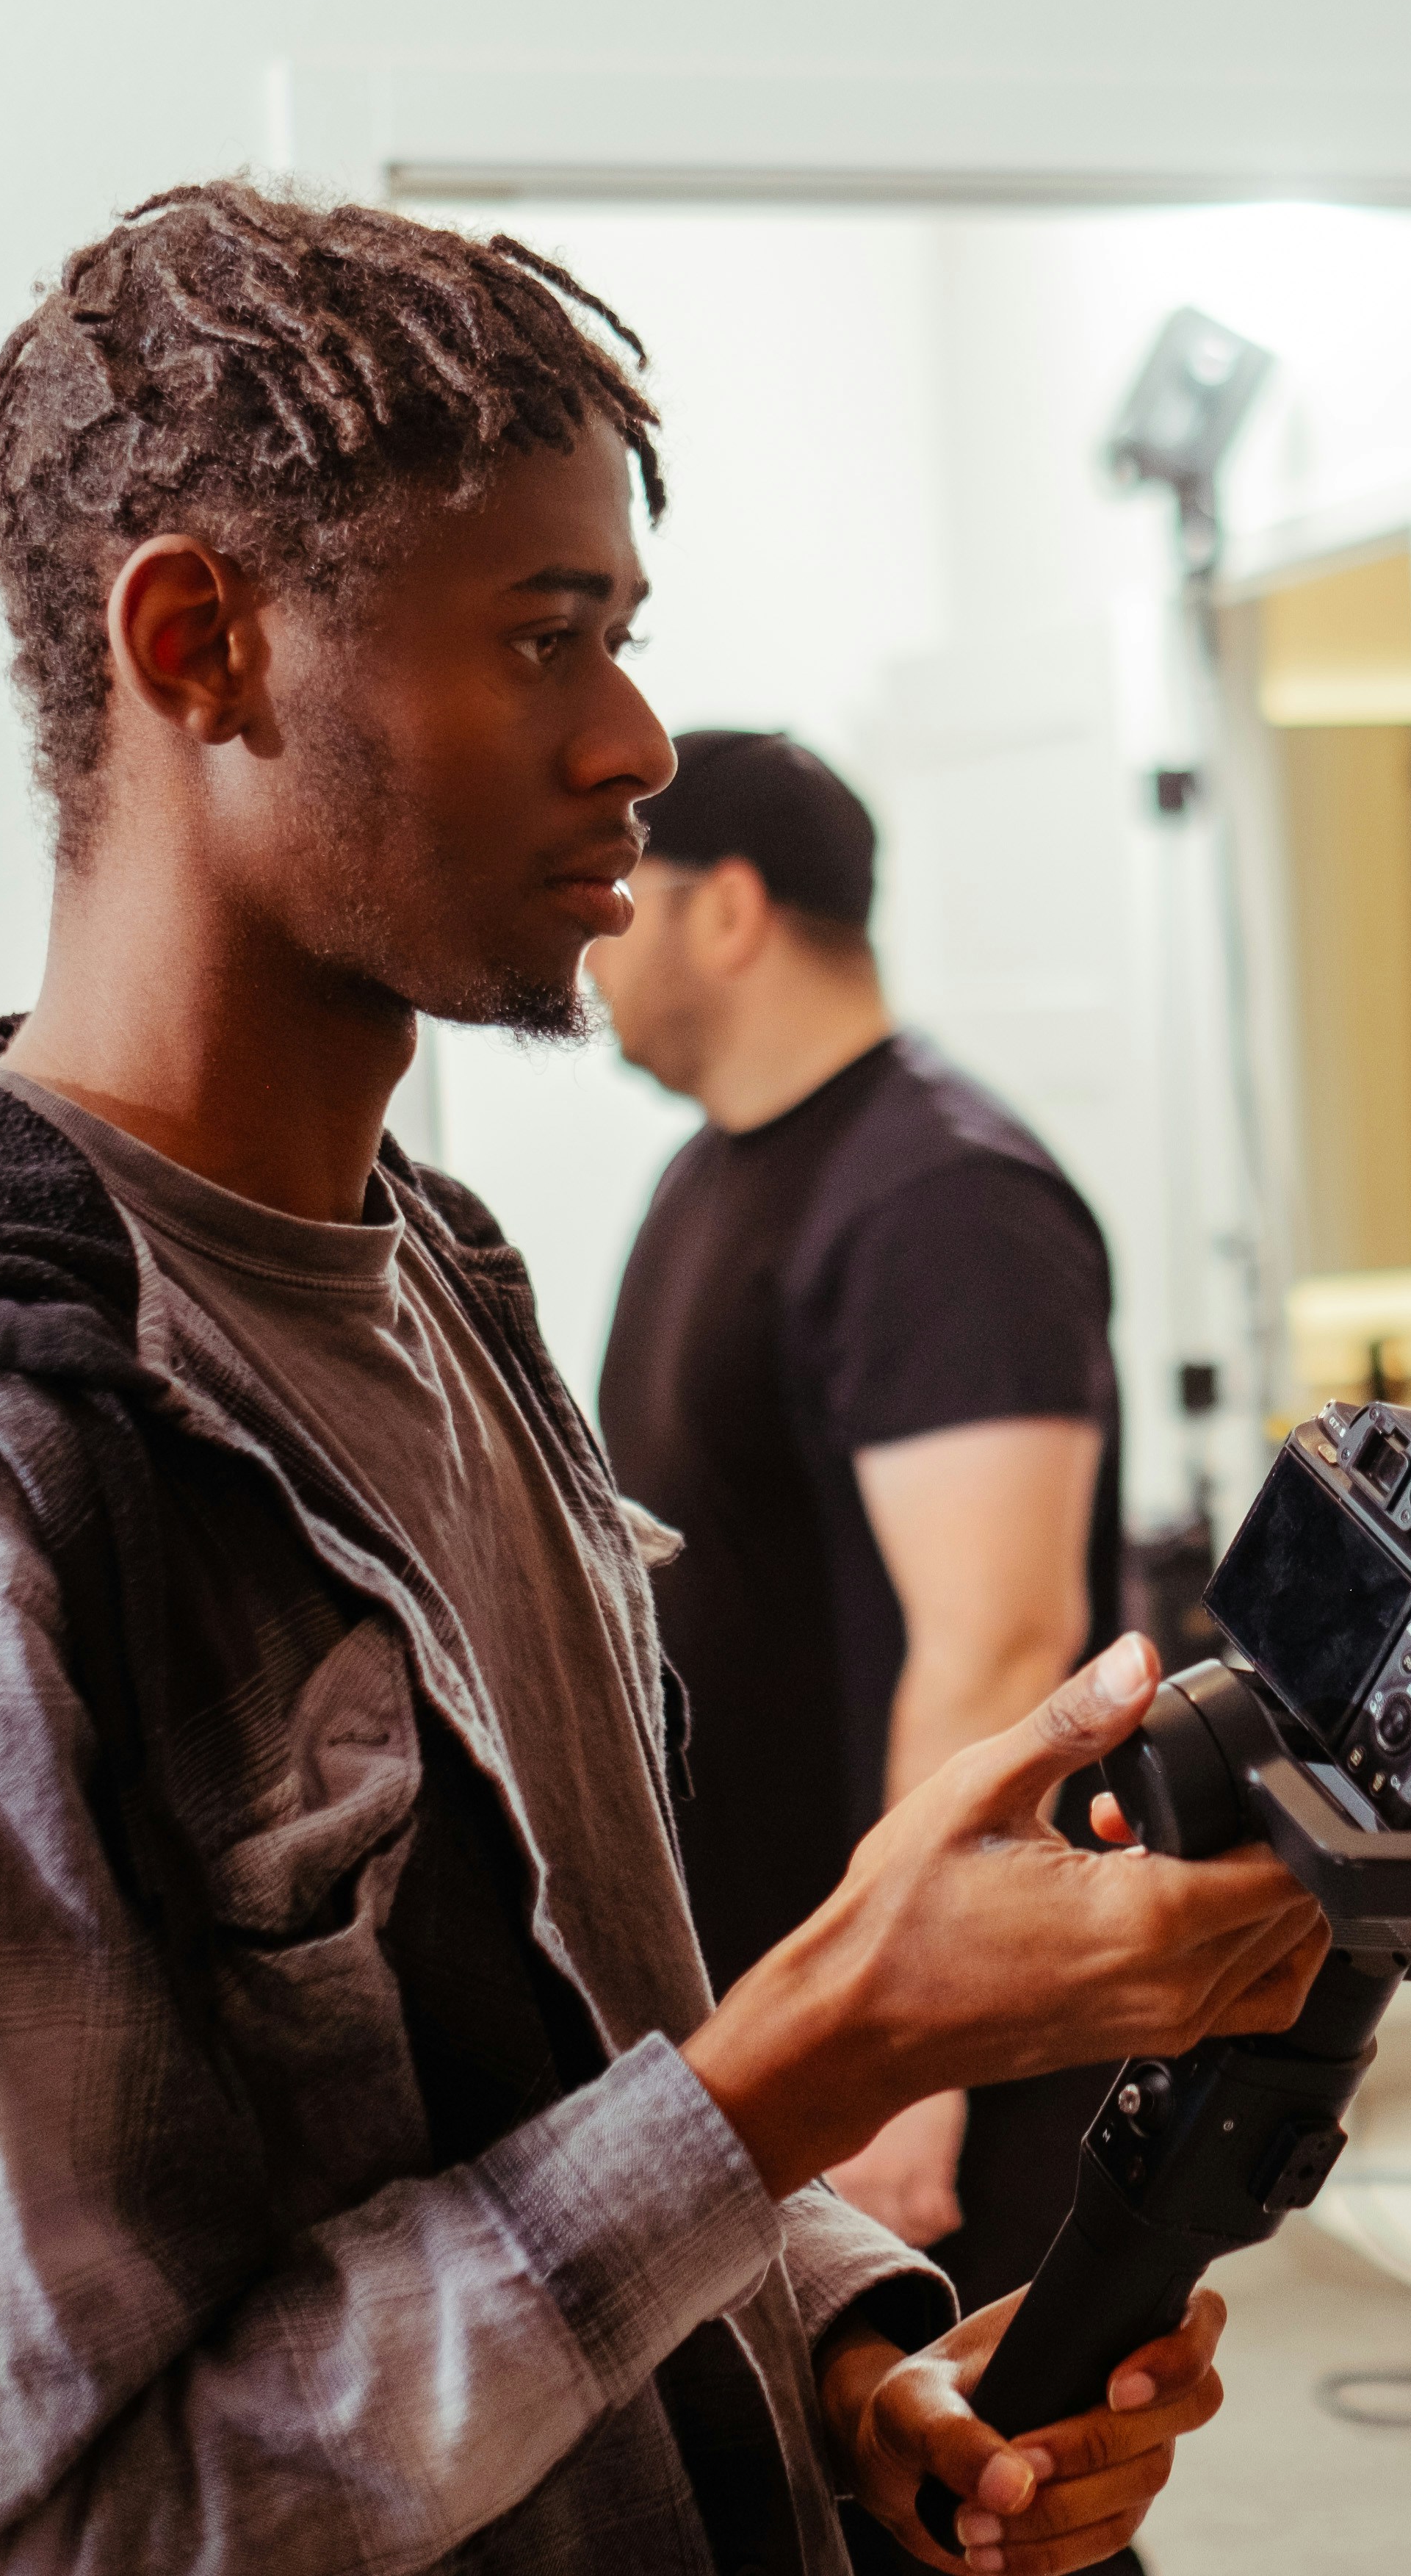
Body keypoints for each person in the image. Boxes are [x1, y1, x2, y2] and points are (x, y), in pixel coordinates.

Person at [0, 185, 1326, 2576]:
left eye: (624, 639)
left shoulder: (437, 1276)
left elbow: (552, 2079)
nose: (633, 741)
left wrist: (840, 2358)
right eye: (543, 641)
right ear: (202, 645)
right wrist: (827, 2048)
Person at [590, 734, 1126, 2313]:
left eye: (627, 893)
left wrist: (904, 2052)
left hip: (925, 2045)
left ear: (729, 909)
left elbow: (1002, 1639)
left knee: (990, 2521)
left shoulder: (940, 1203)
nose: (590, 933)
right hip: (788, 2001)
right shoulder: (723, 1170)